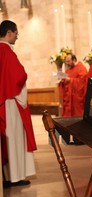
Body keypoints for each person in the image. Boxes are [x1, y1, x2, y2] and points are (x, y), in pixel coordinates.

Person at [0, 20, 36, 188]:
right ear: (9, 33)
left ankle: (7, 176)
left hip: (3, 102)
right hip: (10, 102)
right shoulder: (6, 51)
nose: (17, 36)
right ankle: (14, 177)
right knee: (14, 138)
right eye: (16, 33)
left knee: (6, 141)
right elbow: (19, 76)